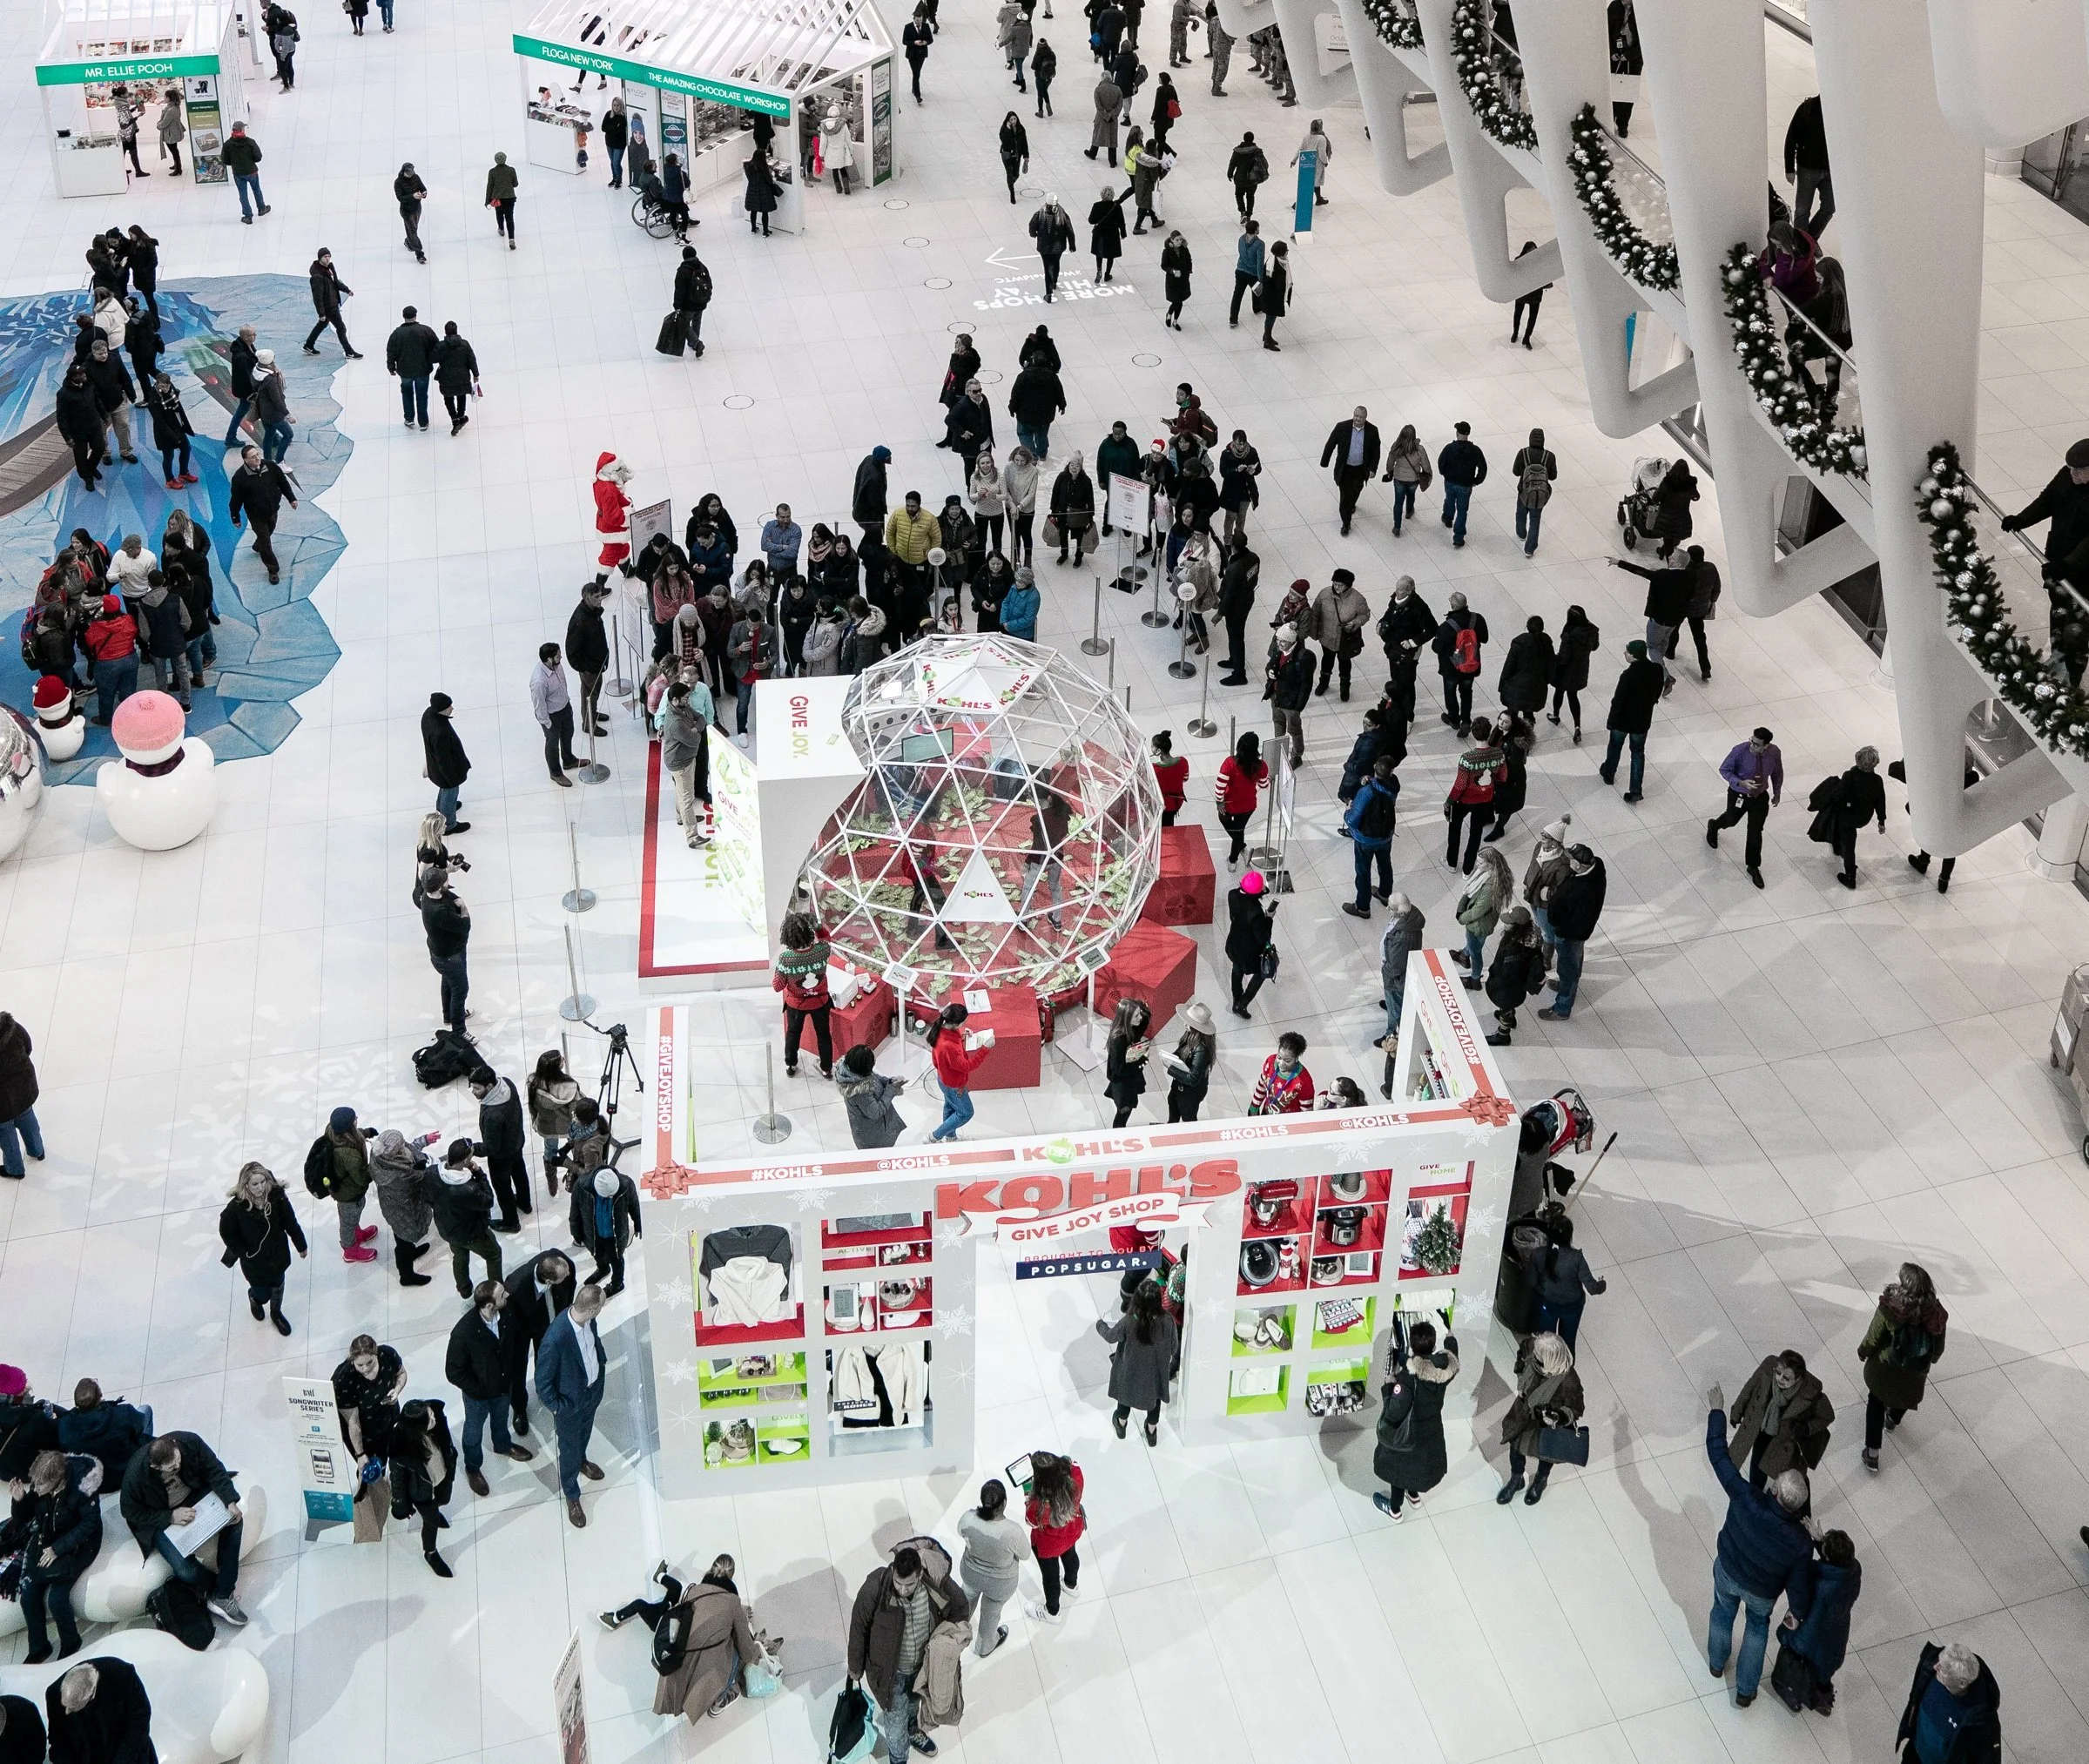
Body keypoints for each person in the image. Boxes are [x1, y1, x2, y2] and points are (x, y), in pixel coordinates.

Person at [1701, 1377, 1818, 1707]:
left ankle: (1715, 1662)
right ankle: (1745, 1691)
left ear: (1776, 1491)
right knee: (1756, 1630)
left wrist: (1717, 1412)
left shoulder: (1746, 1497)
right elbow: (1798, 1584)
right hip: (1762, 1593)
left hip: (1728, 1570)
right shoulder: (1800, 1543)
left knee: (1721, 1613)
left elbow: (1719, 1457)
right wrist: (1796, 1612)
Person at [848, 1542, 972, 1760]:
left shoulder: (931, 1584)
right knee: (895, 1728)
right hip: (890, 1675)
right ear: (893, 1571)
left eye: (910, 1584)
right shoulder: (875, 1588)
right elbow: (858, 1627)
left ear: (920, 1574)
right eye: (899, 1583)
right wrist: (855, 1667)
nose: (903, 1590)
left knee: (914, 1706)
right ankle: (898, 1759)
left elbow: (960, 1606)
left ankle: (913, 1731)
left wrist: (949, 1638)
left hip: (921, 1669)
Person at [118, 1431, 247, 1625]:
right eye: (172, 1468)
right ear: (155, 1466)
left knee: (235, 1521)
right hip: (162, 1514)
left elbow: (214, 1468)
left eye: (178, 1460)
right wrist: (169, 1517)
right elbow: (130, 1512)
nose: (178, 1466)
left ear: (175, 1446)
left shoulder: (189, 1441)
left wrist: (229, 1500)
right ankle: (211, 1586)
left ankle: (223, 1594)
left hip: (196, 1494)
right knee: (185, 1570)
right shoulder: (136, 1475)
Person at [638, 1558, 763, 1725]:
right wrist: (757, 1649)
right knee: (734, 1646)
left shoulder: (693, 1591)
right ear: (731, 1578)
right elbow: (747, 1653)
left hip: (672, 1666)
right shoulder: (733, 1602)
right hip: (702, 1676)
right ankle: (721, 1698)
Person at [4, 1448, 100, 1661]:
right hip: (48, 1538)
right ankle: (39, 1647)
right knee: (28, 1594)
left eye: (40, 1486)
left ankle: (70, 1641)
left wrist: (58, 1549)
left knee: (57, 1599)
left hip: (78, 1545)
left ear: (57, 1480)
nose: (35, 1489)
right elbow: (25, 1516)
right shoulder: (41, 1487)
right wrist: (20, 1501)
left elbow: (90, 1523)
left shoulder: (82, 1489)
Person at [1857, 1262, 1947, 1472]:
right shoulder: (1936, 1314)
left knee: (1876, 1402)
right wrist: (1929, 1360)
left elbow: (1874, 1335)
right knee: (1905, 1396)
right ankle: (1893, 1420)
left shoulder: (1891, 1307)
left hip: (1885, 1368)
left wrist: (1864, 1351)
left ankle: (1872, 1453)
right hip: (1914, 1371)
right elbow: (1937, 1349)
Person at [537, 1280, 609, 1527]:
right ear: (591, 1310)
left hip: (591, 1392)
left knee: (585, 1432)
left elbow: (592, 1344)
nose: (601, 1311)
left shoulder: (588, 1319)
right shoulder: (555, 1339)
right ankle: (572, 1493)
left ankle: (582, 1461)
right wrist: (558, 1407)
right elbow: (542, 1382)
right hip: (569, 1404)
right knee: (568, 1448)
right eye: (600, 1307)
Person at [1372, 1316, 1458, 1520]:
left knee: (1399, 1470)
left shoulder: (1407, 1380)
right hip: (1432, 1430)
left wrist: (1389, 1387)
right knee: (1418, 1466)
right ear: (1433, 1344)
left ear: (1412, 1345)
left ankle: (1394, 1509)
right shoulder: (1444, 1367)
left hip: (1410, 1433)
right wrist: (1450, 1336)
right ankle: (1414, 1495)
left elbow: (1395, 1411)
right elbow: (1453, 1353)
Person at [218, 1160, 307, 1336]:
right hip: (254, 1262)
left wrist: (301, 1244)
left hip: (277, 1255)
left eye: (262, 1182)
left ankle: (276, 1313)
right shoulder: (235, 1209)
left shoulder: (277, 1198)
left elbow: (290, 1222)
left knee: (278, 1286)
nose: (259, 1187)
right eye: (254, 1184)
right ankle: (255, 1299)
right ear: (246, 1185)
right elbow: (227, 1233)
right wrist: (244, 1252)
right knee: (262, 1293)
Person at [1776, 1530, 1861, 1714]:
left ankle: (1787, 1686)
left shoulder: (1823, 1588)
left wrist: (1790, 1640)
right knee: (1825, 1671)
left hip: (1818, 1641)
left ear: (1828, 1557)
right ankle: (1823, 1699)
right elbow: (1835, 1566)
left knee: (1798, 1662)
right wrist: (1821, 1541)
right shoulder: (1853, 1571)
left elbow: (1811, 1625)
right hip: (1837, 1635)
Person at [1496, 1332, 1582, 1507]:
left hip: (1547, 1427)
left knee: (1546, 1455)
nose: (1533, 1358)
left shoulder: (1568, 1381)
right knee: (1516, 1448)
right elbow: (1522, 1355)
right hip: (1523, 1413)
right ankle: (1516, 1478)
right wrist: (1521, 1378)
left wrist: (1557, 1416)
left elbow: (1576, 1409)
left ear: (1551, 1361)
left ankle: (1541, 1481)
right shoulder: (1533, 1348)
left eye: (1539, 1359)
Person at [1728, 1349, 1833, 1491]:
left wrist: (1807, 1428)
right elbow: (1750, 1387)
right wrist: (1737, 1411)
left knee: (1793, 1476)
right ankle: (1755, 1493)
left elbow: (1827, 1415)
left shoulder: (1811, 1393)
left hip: (1787, 1440)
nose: (1779, 1379)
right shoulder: (1768, 1367)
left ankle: (1801, 1503)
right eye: (1778, 1373)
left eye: (1786, 1378)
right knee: (1758, 1463)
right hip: (1762, 1428)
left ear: (1798, 1379)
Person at [1098, 1276, 1177, 1443]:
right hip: (1155, 1374)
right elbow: (1173, 1348)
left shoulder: (1129, 1321)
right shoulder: (1168, 1321)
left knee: (1125, 1398)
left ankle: (1121, 1425)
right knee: (1154, 1402)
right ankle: (1151, 1432)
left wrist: (1100, 1324)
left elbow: (1111, 1336)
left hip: (1130, 1372)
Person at [955, 1480, 1029, 1659]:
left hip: (971, 1574)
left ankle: (955, 1636)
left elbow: (960, 1532)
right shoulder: (1013, 1531)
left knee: (965, 1602)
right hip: (1001, 1584)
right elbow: (1025, 1554)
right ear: (1004, 1503)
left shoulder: (968, 1518)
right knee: (991, 1613)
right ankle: (984, 1647)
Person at [1894, 1640, 1999, 1763]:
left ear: (1962, 1683)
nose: (1936, 1666)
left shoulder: (1980, 1719)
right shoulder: (1930, 1668)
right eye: (1939, 1662)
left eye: (1943, 1670)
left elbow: (1987, 1758)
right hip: (1914, 1753)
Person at [1707, 726, 1782, 887]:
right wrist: (1740, 782)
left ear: (1766, 746)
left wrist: (1777, 792)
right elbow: (1724, 769)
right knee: (1731, 819)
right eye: (1752, 741)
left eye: (1756, 744)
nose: (1752, 745)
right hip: (1739, 794)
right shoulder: (1740, 751)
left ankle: (1753, 866)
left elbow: (1777, 773)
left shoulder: (1774, 753)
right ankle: (1714, 825)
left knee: (1755, 832)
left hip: (1760, 797)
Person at [1539, 844, 1604, 1020]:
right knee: (1575, 960)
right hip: (1579, 932)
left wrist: (1552, 899)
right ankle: (1568, 984)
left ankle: (1562, 1008)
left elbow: (1560, 912)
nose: (1568, 861)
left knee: (1568, 968)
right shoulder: (1597, 870)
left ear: (1579, 865)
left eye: (1571, 860)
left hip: (1570, 934)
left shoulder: (1579, 888)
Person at [1808, 745, 1887, 889]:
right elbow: (1880, 801)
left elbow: (1838, 795)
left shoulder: (1850, 776)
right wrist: (1881, 821)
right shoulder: (1877, 780)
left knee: (1849, 843)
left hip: (1847, 815)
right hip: (1863, 816)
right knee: (1847, 837)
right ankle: (1839, 848)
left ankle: (1850, 876)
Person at [430, 1139, 502, 1296]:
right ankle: (497, 1291)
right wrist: (479, 1173)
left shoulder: (432, 1174)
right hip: (472, 1233)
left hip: (447, 1229)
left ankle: (464, 1289)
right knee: (494, 1254)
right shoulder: (468, 1189)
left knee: (459, 1255)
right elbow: (488, 1200)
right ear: (464, 1161)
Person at [44, 1661, 154, 1764]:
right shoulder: (54, 1695)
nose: (67, 1711)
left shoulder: (123, 1675)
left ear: (90, 1696)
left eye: (73, 1708)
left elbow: (140, 1719)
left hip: (130, 1755)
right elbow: (58, 1742)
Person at [1021, 1452, 1085, 1624]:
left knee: (1050, 1576)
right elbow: (1073, 1462)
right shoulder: (1076, 1481)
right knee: (1071, 1555)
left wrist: (1028, 1492)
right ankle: (1071, 1585)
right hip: (1072, 1531)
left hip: (1049, 1545)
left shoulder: (1039, 1506)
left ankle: (1052, 1612)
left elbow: (1030, 1521)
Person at [1599, 639, 1664, 803]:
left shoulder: (1628, 676)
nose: (1624, 654)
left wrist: (1611, 721)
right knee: (1637, 752)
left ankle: (1609, 773)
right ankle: (1635, 789)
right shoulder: (1656, 670)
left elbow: (1618, 700)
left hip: (1622, 720)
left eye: (1627, 652)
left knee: (1615, 746)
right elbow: (1658, 690)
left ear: (1634, 656)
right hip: (1641, 721)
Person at [1530, 1217, 1606, 1350]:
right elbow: (1593, 1289)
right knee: (1568, 1344)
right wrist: (1602, 1283)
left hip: (1548, 1305)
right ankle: (1567, 1367)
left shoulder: (1538, 1254)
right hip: (1572, 1307)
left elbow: (1531, 1281)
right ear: (1570, 1236)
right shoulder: (1576, 1258)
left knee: (1546, 1344)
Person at [56, 1381, 152, 1485]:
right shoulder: (123, 1413)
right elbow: (139, 1424)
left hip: (99, 1481)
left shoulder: (65, 1428)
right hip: (127, 1469)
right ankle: (147, 1455)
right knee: (145, 1409)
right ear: (101, 1395)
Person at [228, 442, 295, 587]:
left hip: (272, 509)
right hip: (256, 515)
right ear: (245, 460)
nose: (257, 458)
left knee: (270, 530)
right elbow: (235, 500)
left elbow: (283, 482)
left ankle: (258, 544)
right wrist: (235, 517)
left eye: (257, 454)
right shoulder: (240, 478)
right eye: (253, 457)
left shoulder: (270, 466)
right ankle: (273, 570)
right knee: (266, 541)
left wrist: (292, 498)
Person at [1445, 717, 1506, 872]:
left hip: (1464, 800)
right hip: (1485, 800)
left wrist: (1449, 801)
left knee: (1455, 829)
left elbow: (1460, 784)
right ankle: (1467, 869)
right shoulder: (1498, 754)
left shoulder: (1467, 758)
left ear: (1473, 732)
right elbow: (1503, 777)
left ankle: (1451, 862)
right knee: (1475, 834)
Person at [1341, 757, 1399, 919]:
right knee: (1385, 865)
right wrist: (1367, 780)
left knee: (1363, 872)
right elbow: (1381, 785)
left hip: (1365, 840)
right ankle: (1385, 894)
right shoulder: (1394, 786)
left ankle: (1362, 907)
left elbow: (1353, 820)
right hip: (1386, 835)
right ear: (1392, 771)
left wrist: (1347, 811)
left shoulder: (1366, 793)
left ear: (1374, 766)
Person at [570, 1165, 641, 1296]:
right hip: (593, 1233)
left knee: (617, 1260)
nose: (610, 1198)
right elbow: (574, 1211)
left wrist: (638, 1224)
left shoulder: (626, 1184)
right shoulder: (582, 1186)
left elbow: (634, 1205)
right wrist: (575, 1232)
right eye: (607, 1196)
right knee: (597, 1253)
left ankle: (617, 1283)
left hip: (616, 1235)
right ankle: (603, 1269)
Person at [1483, 905, 1547, 1046]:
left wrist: (1493, 982)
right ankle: (1509, 1016)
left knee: (1505, 1006)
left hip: (1507, 989)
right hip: (1518, 987)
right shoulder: (1530, 938)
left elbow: (1506, 974)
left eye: (1508, 922)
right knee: (1507, 1005)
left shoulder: (1515, 950)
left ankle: (1503, 1033)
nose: (1505, 924)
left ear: (1517, 926)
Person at [420, 865, 471, 1036]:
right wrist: (463, 907)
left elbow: (449, 895)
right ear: (440, 887)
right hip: (450, 956)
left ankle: (449, 1015)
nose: (448, 882)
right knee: (461, 990)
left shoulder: (426, 898)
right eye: (445, 880)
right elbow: (464, 925)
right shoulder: (439, 912)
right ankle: (459, 1031)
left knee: (449, 981)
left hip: (441, 952)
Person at [927, 1003, 990, 1141]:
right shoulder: (947, 1045)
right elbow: (967, 1066)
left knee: (950, 1108)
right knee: (966, 1113)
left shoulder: (941, 1031)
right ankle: (935, 1136)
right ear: (954, 1024)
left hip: (944, 1079)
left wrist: (963, 1038)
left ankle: (951, 1137)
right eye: (963, 1022)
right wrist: (985, 1049)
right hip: (954, 1084)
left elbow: (945, 1057)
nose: (964, 1024)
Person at [1454, 845, 1512, 993]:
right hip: (1479, 923)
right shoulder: (1486, 873)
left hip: (1479, 925)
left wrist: (1462, 918)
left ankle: (1475, 979)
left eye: (1480, 863)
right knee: (1473, 944)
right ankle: (1463, 955)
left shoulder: (1492, 886)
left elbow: (1478, 911)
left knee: (1476, 952)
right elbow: (1470, 891)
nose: (1477, 865)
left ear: (1491, 864)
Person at [1319, 407, 1380, 536]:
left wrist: (1373, 468)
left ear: (1365, 418)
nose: (1357, 419)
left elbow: (1376, 452)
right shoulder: (1342, 427)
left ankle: (1352, 504)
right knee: (1345, 497)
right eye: (1356, 416)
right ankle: (1346, 523)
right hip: (1345, 469)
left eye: (1360, 417)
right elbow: (1330, 444)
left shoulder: (1372, 431)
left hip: (1361, 469)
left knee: (1356, 491)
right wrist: (1325, 461)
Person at [1224, 866, 1277, 1017]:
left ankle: (1236, 998)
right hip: (1249, 952)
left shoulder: (1232, 895)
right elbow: (1262, 938)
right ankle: (1242, 1003)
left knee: (1237, 969)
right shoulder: (1256, 914)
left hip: (1234, 945)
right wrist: (1269, 919)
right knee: (1262, 972)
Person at [1433, 589, 1486, 733]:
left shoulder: (1446, 627)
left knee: (1450, 693)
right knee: (1467, 692)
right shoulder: (1478, 619)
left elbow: (1437, 648)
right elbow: (1485, 639)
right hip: (1471, 665)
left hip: (1452, 668)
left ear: (1452, 606)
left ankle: (1454, 720)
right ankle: (1466, 721)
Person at [530, 641, 582, 787]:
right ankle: (555, 773)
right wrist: (547, 724)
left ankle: (569, 760)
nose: (561, 658)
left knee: (568, 734)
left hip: (565, 708)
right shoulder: (539, 681)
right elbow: (539, 706)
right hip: (552, 716)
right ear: (549, 659)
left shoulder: (556, 666)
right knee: (552, 744)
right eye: (558, 656)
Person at [838, 1044, 907, 1148]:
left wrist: (889, 1081)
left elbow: (873, 1077)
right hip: (873, 1137)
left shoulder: (854, 1070)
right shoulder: (860, 1092)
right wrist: (891, 1089)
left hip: (878, 1127)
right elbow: (876, 1112)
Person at [0, 1013, 43, 1186]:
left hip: (2, 1104)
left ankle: (14, 1169)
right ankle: (37, 1151)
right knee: (28, 1120)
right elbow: (28, 1046)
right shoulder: (10, 1027)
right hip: (23, 1090)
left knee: (6, 1134)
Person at [1783, 93, 1834, 239]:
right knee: (1802, 210)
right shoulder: (1808, 109)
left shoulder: (1839, 110)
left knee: (1830, 207)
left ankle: (1809, 241)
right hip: (1808, 167)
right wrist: (1789, 169)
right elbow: (1791, 138)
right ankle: (1801, 245)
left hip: (1830, 169)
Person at [1160, 1001, 1215, 1121]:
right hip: (1178, 1088)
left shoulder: (1202, 1049)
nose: (1185, 1024)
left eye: (1189, 1022)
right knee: (1173, 1112)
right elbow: (1181, 1051)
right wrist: (1172, 1057)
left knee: (1188, 1120)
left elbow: (1193, 1079)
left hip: (1189, 1095)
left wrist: (1171, 1068)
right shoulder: (1191, 1035)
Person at [1102, 997, 1152, 1128]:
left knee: (1125, 1111)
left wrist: (1141, 1007)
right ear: (1127, 1018)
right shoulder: (1118, 1040)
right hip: (1124, 1086)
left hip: (1129, 1080)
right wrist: (1142, 1061)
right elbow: (1119, 1070)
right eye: (1136, 1015)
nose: (1140, 1017)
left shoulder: (1131, 1028)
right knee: (1123, 1114)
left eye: (1139, 1013)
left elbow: (1146, 1019)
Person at [1436, 421, 1486, 548]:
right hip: (1466, 484)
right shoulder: (1475, 451)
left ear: (1457, 433)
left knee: (1449, 499)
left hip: (1450, 481)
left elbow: (1441, 463)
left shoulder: (1449, 448)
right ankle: (1458, 538)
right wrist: (1476, 481)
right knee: (1462, 510)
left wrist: (1445, 474)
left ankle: (1447, 517)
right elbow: (1483, 468)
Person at [143, 374, 195, 492]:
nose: (165, 389)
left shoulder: (172, 391)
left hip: (177, 426)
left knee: (186, 448)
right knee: (168, 456)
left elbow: (178, 408)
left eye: (166, 386)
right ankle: (169, 480)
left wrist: (184, 425)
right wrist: (174, 437)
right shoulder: (153, 400)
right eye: (162, 386)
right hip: (164, 433)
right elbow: (160, 422)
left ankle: (183, 473)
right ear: (156, 383)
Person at [1509, 428, 1556, 556]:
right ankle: (1530, 548)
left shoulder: (1523, 453)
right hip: (1540, 495)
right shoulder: (1549, 456)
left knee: (1521, 513)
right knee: (1535, 520)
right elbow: (1553, 476)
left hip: (1524, 491)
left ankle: (1521, 533)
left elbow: (1515, 472)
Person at [1248, 1030, 1314, 1113]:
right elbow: (1262, 1085)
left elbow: (1306, 1111)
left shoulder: (1304, 1081)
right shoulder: (1270, 1062)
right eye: (1279, 1057)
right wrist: (1254, 1106)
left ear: (1297, 1058)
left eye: (1287, 1061)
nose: (1281, 1064)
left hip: (1288, 1122)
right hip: (1267, 1112)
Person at [222, 120, 270, 219]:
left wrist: (235, 163)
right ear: (242, 130)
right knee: (256, 190)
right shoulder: (250, 142)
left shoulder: (227, 145)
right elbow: (258, 157)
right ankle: (261, 208)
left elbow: (225, 160)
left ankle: (248, 216)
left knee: (243, 194)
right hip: (252, 171)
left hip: (238, 173)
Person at [1510, 239, 1551, 347]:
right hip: (1522, 292)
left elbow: (1545, 275)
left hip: (1535, 293)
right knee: (1517, 314)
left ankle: (1527, 338)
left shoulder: (1540, 263)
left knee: (1532, 317)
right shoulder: (1519, 260)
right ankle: (1515, 333)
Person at [1257, 239, 1290, 351]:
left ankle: (1267, 336)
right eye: (1286, 251)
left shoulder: (1271, 260)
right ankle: (1267, 340)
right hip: (1273, 298)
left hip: (1269, 296)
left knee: (1270, 317)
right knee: (1271, 317)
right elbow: (1278, 285)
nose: (1287, 252)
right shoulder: (1276, 268)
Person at [1292, 118, 1331, 204]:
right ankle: (1300, 202)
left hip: (1306, 162)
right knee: (1315, 181)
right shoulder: (1321, 139)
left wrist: (1294, 160)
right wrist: (1325, 162)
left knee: (1309, 181)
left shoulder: (1307, 136)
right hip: (1317, 163)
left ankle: (1319, 198)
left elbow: (1300, 149)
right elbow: (1322, 153)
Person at [902, 8, 933, 101]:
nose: (918, 22)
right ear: (914, 19)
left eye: (920, 21)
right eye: (917, 21)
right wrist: (914, 42)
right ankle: (917, 95)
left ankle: (914, 88)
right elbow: (904, 41)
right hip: (912, 55)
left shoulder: (926, 26)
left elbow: (931, 40)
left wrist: (925, 42)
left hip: (922, 54)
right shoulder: (908, 27)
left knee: (917, 73)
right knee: (916, 73)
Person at [1033, 36, 1058, 116]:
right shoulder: (1051, 53)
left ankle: (1041, 111)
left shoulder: (1038, 55)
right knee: (1044, 90)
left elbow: (1033, 66)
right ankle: (1048, 107)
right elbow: (1055, 64)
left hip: (1040, 77)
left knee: (1040, 94)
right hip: (1049, 76)